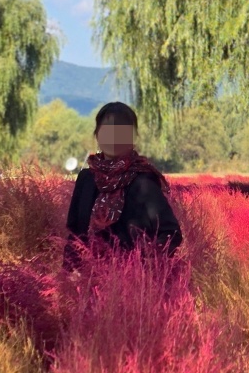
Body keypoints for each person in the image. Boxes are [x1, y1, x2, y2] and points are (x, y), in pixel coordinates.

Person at [62, 101, 183, 271]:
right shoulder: (86, 178)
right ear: (97, 135)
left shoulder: (143, 182)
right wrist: (69, 274)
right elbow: (75, 233)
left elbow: (171, 233)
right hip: (88, 281)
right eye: (107, 131)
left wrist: (145, 266)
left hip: (130, 284)